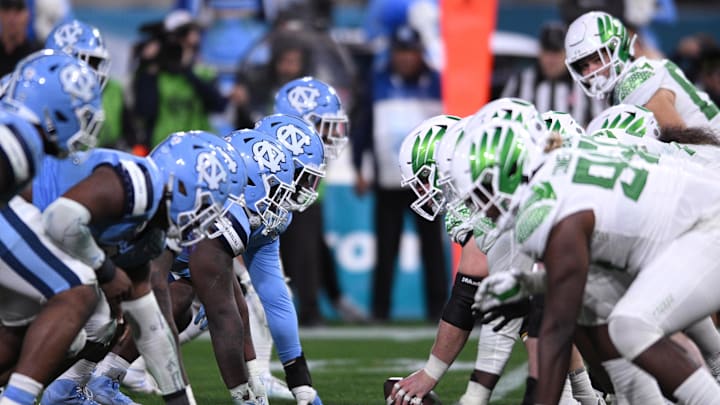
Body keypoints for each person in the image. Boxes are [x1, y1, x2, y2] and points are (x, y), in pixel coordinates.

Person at [456, 117, 720, 404]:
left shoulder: (545, 212)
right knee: (594, 304)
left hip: (706, 227)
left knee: (632, 326)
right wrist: (530, 283)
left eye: (481, 193)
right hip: (683, 230)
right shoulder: (557, 172)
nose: (480, 209)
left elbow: (557, 330)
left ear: (507, 174)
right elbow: (576, 275)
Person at [0, 51, 109, 405]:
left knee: (23, 321)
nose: (85, 124)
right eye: (81, 112)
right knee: (76, 286)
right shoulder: (17, 138)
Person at [351, 24, 448, 322]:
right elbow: (363, 129)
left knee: (432, 248)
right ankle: (380, 311)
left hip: (427, 182)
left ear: (420, 53)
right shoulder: (377, 82)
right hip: (389, 178)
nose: (406, 58)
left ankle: (439, 310)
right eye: (400, 52)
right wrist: (360, 168)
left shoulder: (438, 82)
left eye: (411, 51)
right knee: (386, 249)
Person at [564, 10, 720, 130]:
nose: (592, 71)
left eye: (598, 60)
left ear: (620, 49)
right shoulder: (624, 85)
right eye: (584, 66)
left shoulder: (635, 83)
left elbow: (684, 142)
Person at [133, 9, 226, 149]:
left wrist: (187, 71)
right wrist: (149, 68)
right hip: (163, 149)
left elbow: (219, 105)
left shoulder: (203, 72)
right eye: (183, 34)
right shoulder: (154, 74)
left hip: (200, 147)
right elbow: (145, 111)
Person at [501, 22, 605, 126]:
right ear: (540, 52)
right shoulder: (520, 81)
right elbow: (504, 118)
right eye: (547, 51)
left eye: (556, 52)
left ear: (567, 53)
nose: (551, 59)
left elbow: (598, 122)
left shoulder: (583, 82)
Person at [0, 0, 41, 76]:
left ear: (28, 15)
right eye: (6, 10)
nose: (11, 18)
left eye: (18, 10)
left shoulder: (38, 55)